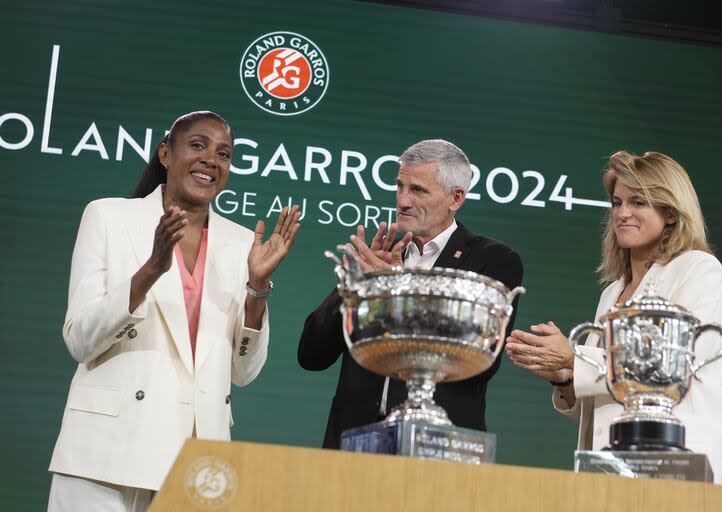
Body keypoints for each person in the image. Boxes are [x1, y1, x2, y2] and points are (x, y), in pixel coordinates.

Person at [48, 111, 301, 510]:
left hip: (196, 465)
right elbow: (80, 339)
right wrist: (150, 270)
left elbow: (244, 372)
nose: (211, 160)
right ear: (166, 153)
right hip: (105, 455)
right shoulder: (109, 217)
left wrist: (257, 289)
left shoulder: (240, 244)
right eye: (197, 146)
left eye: (224, 153)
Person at [506, 150, 722, 483]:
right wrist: (564, 376)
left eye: (638, 202)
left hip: (675, 470)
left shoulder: (698, 268)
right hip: (608, 472)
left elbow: (672, 366)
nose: (623, 213)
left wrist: (574, 356)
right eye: (617, 203)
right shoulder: (611, 293)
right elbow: (605, 399)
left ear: (670, 212)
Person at [298, 139, 524, 449]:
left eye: (418, 190)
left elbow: (482, 361)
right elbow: (311, 355)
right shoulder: (377, 255)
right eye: (400, 186)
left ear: (455, 198)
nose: (403, 201)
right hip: (353, 445)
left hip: (437, 446)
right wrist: (357, 288)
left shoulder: (492, 261)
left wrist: (395, 293)